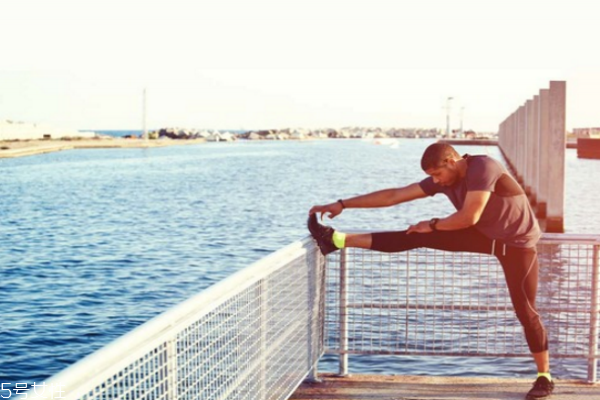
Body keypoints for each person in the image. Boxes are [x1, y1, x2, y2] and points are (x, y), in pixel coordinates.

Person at [308, 142, 553, 400]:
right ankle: (336, 240)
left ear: (450, 161)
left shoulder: (483, 166)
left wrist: (433, 224)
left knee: (525, 310)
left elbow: (469, 215)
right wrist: (342, 204)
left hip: (517, 245)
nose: (436, 181)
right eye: (432, 177)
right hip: (484, 234)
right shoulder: (445, 179)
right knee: (415, 234)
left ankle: (544, 377)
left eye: (437, 174)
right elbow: (394, 196)